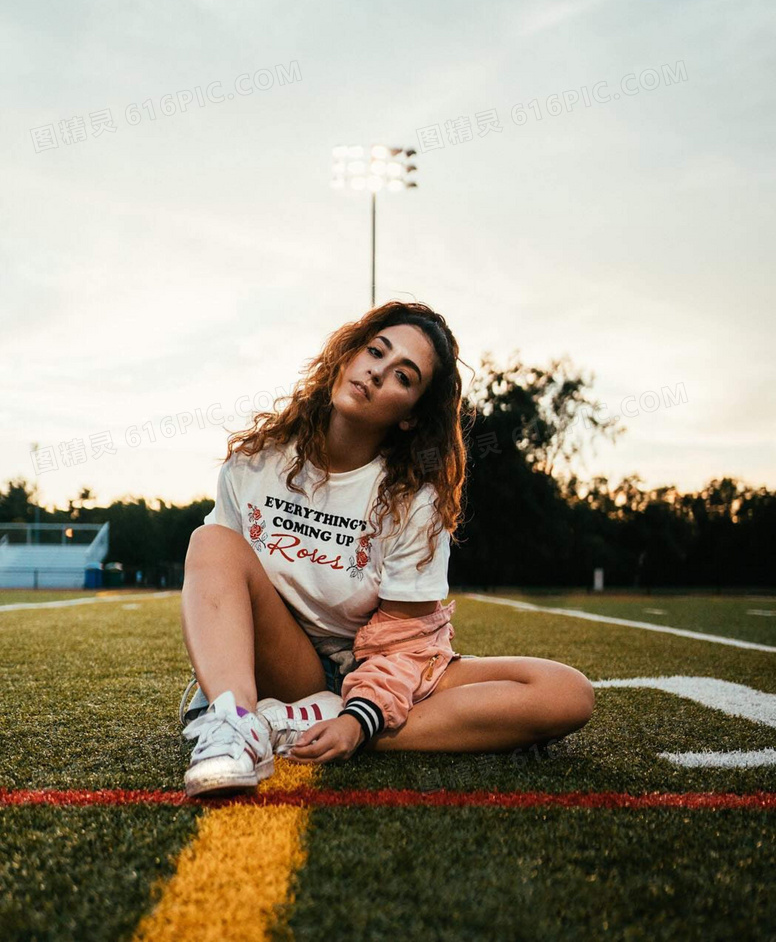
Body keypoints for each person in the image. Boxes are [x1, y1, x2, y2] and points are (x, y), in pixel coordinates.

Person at [180, 300, 595, 797]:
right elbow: (220, 585)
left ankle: (300, 727)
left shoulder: (414, 500)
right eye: (375, 351)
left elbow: (405, 645)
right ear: (346, 357)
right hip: (287, 666)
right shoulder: (256, 460)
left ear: (410, 417)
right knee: (210, 541)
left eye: (404, 376)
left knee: (566, 694)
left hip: (375, 666)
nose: (377, 372)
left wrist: (358, 719)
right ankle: (238, 722)